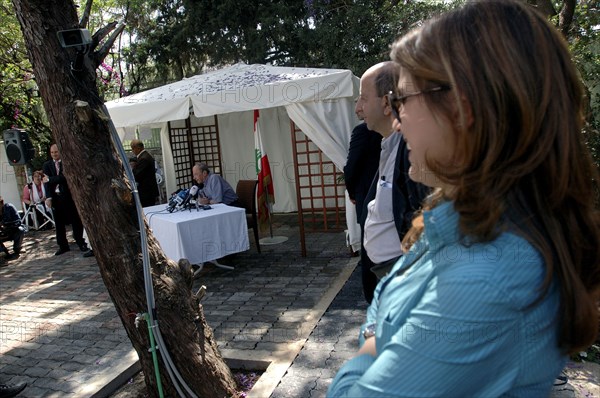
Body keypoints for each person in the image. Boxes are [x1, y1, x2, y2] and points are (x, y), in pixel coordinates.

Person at [327, 1, 600, 396]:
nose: (398, 121)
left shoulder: (485, 281)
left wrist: (373, 338)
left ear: (461, 110)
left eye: (403, 100)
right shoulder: (473, 224)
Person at [356, 61, 428, 304]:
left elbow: (424, 223)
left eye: (363, 99)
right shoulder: (389, 144)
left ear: (386, 103)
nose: (358, 108)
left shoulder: (413, 151)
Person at [43, 144, 88, 256]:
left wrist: (50, 179)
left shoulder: (66, 163)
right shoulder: (47, 165)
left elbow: (65, 177)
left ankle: (81, 242)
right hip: (56, 197)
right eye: (52, 152)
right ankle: (63, 245)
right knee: (58, 223)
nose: (54, 154)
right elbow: (46, 183)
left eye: (56, 152)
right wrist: (48, 197)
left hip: (68, 197)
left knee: (75, 221)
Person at [130, 139, 159, 207]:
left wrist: (133, 168)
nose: (132, 151)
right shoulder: (146, 155)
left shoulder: (144, 158)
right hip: (148, 191)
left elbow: (137, 175)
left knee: (147, 211)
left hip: (146, 192)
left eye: (133, 149)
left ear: (138, 148)